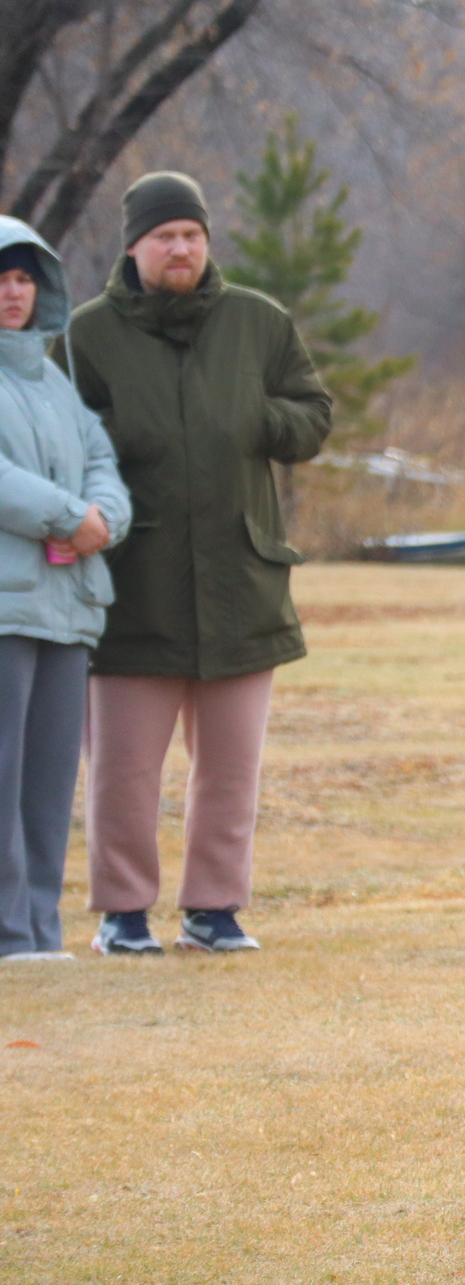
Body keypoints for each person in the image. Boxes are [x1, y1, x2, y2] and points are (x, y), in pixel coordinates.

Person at [60, 171, 332, 956]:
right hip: (129, 584)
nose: (180, 248)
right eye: (163, 236)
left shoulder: (259, 321)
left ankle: (215, 909)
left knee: (229, 765)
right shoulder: (85, 335)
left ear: (207, 241)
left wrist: (251, 416)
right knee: (121, 768)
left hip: (241, 580)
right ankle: (123, 912)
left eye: (192, 234)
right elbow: (57, 436)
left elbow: (312, 415)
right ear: (134, 246)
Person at [0, 219, 131, 963]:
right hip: (6, 606)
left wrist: (101, 518)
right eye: (1, 280)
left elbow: (102, 463)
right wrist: (66, 514)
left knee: (49, 777)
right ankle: (7, 932)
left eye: (24, 279)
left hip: (69, 605)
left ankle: (42, 931)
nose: (13, 293)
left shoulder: (56, 380)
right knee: (3, 771)